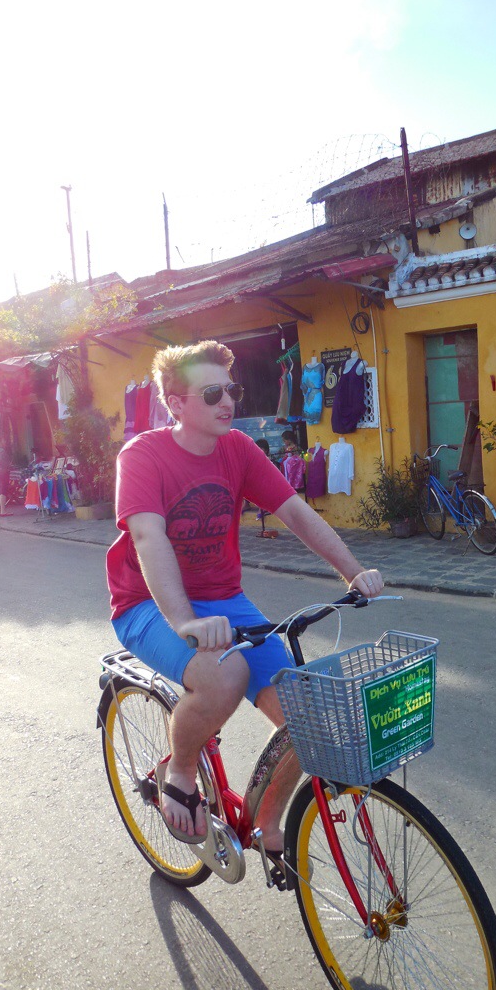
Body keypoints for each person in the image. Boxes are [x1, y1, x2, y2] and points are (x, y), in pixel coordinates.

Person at [106, 340, 383, 870]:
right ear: (176, 403)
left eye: (230, 390)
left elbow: (295, 513)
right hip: (147, 603)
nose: (228, 401)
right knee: (224, 676)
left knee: (307, 718)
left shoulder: (238, 448)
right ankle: (179, 772)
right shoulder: (142, 456)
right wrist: (185, 621)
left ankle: (266, 821)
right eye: (212, 393)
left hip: (225, 599)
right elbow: (147, 537)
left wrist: (354, 572)